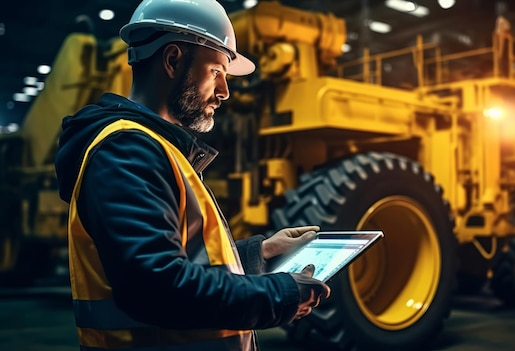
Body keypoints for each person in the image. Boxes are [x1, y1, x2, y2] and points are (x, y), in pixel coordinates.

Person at [54, 0, 330, 350]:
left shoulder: (156, 149)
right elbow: (159, 289)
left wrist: (260, 253)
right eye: (216, 71)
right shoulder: (126, 152)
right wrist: (280, 294)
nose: (224, 92)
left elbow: (179, 262)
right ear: (172, 60)